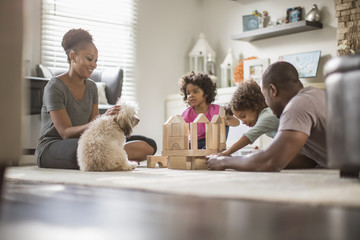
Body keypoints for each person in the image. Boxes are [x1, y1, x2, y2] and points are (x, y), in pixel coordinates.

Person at [35, 28, 156, 169]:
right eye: (89, 58)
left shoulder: (92, 87)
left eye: (96, 60)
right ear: (73, 56)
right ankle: (114, 155)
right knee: (92, 150)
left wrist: (110, 121)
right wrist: (102, 118)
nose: (94, 64)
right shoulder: (54, 86)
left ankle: (112, 154)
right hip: (53, 145)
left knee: (149, 145)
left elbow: (93, 127)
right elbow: (65, 133)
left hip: (86, 140)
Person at [206, 61, 327, 171]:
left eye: (265, 97)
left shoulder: (297, 106)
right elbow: (306, 159)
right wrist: (258, 156)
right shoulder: (317, 95)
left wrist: (224, 161)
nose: (266, 103)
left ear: (273, 90)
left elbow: (271, 162)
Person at [179, 72, 239, 149]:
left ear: (206, 93)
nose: (191, 95)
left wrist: (226, 122)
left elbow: (237, 122)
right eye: (188, 93)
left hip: (213, 142)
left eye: (195, 91)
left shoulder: (216, 110)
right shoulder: (187, 113)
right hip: (195, 143)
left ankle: (212, 150)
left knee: (222, 123)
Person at [218, 79, 279, 156]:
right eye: (240, 119)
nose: (243, 122)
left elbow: (248, 136)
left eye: (243, 116)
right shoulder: (267, 114)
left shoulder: (268, 116)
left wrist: (226, 153)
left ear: (255, 106)